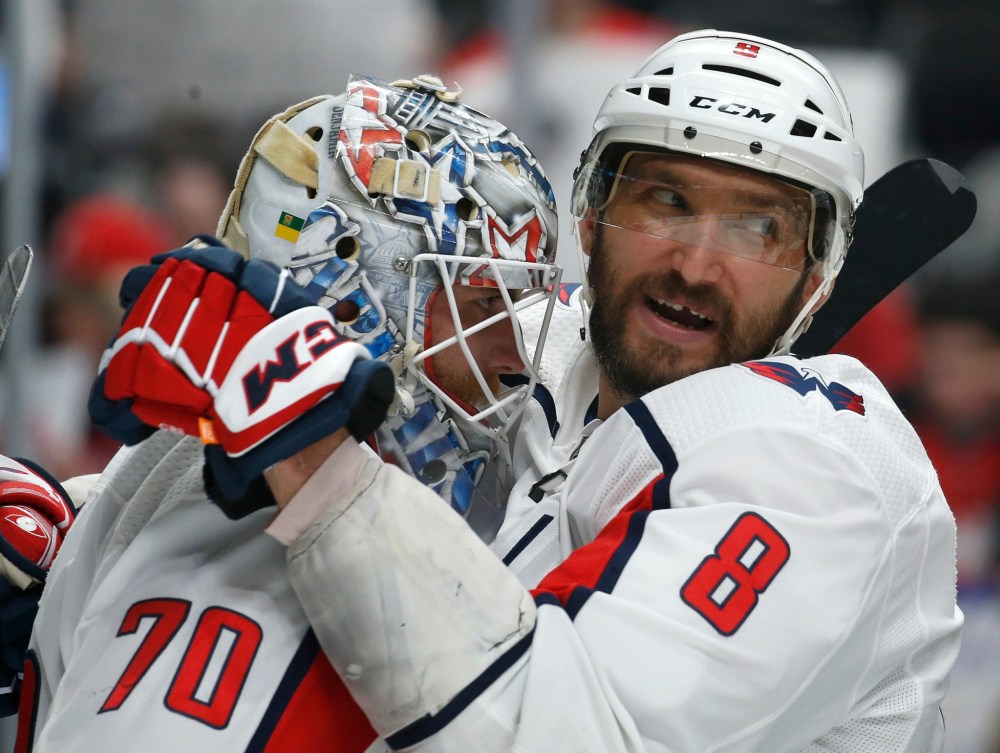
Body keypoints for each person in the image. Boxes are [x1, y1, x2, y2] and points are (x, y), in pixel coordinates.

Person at [183, 30, 960, 751]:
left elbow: (560, 735)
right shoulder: (532, 337)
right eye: (667, 200)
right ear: (589, 214)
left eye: (759, 228)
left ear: (817, 276)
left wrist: (317, 466)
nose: (694, 264)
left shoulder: (821, 475)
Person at [19, 74, 560, 751]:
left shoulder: (173, 468)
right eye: (485, 302)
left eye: (519, 303)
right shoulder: (236, 538)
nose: (515, 351)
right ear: (356, 298)